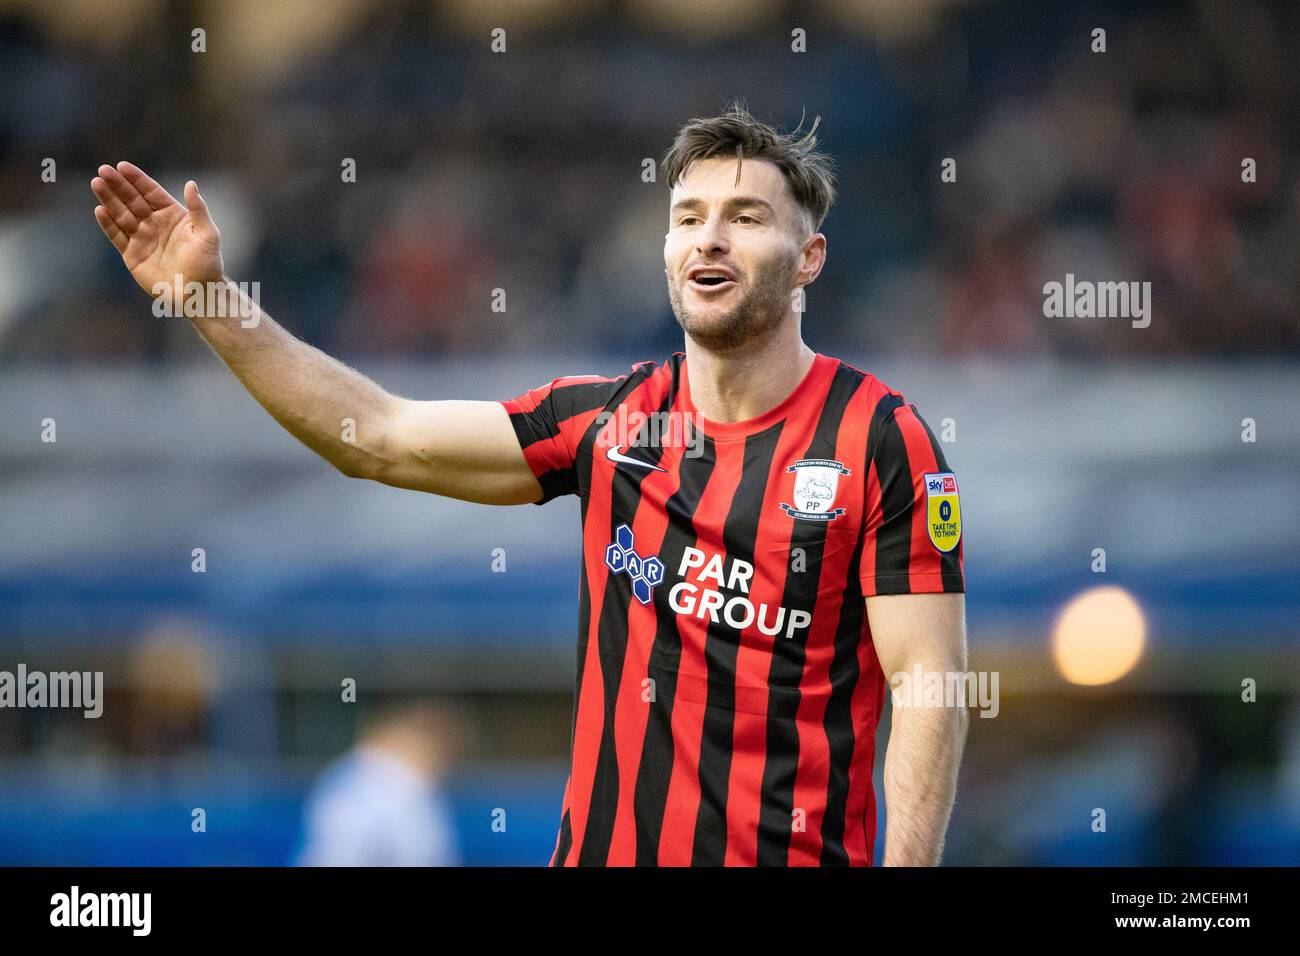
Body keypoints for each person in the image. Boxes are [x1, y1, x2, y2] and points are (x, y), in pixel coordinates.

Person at [90, 102, 968, 866]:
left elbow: (927, 683)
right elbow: (380, 437)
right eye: (688, 215)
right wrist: (210, 301)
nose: (708, 235)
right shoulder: (607, 423)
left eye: (745, 216)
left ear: (809, 258)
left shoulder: (882, 439)